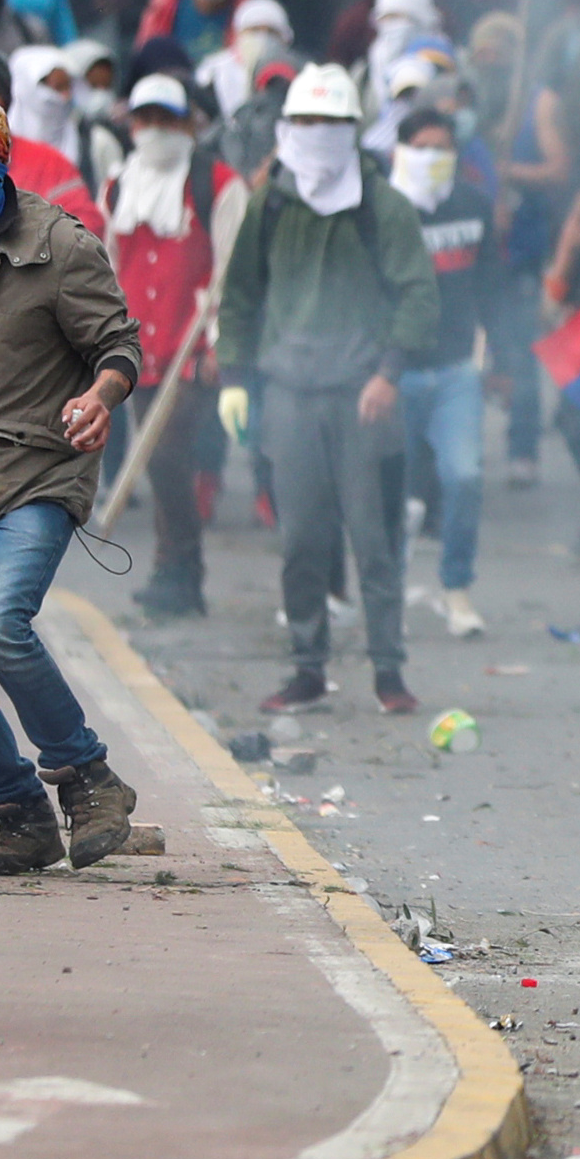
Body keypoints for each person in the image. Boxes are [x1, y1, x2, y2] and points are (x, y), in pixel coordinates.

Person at [0, 85, 147, 876]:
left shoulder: (57, 243)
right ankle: (19, 814)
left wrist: (99, 397)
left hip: (39, 473)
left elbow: (120, 346)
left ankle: (88, 778)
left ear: (0, 163)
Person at [222, 64, 440, 716]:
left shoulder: (383, 205)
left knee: (374, 543)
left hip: (360, 396)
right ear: (290, 127)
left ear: (354, 129)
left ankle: (388, 670)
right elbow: (238, 294)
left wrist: (388, 371)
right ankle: (307, 668)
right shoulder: (272, 202)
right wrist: (234, 377)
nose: (318, 135)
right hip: (289, 390)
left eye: (332, 123)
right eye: (308, 122)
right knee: (300, 542)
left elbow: (419, 294)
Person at [105, 75, 227, 617]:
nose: (154, 131)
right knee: (158, 460)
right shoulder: (117, 185)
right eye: (144, 119)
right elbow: (108, 264)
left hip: (189, 346)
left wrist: (216, 343)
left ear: (187, 124)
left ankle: (184, 571)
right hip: (138, 347)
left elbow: (231, 270)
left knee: (168, 454)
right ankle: (172, 570)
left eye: (166, 120)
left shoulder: (218, 183)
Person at [390, 103, 498, 637]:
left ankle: (457, 587)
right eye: (423, 148)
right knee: (393, 492)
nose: (434, 158)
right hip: (394, 372)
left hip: (457, 369)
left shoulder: (475, 206)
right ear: (402, 150)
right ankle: (383, 588)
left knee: (465, 476)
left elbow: (493, 285)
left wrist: (502, 354)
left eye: (444, 149)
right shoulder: (383, 212)